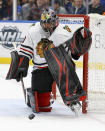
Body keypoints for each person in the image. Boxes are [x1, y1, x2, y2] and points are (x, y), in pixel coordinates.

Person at [6, 9, 92, 114]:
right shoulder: (33, 31)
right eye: (45, 23)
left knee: (63, 67)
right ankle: (36, 96)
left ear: (56, 21)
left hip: (62, 66)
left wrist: (78, 49)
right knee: (43, 107)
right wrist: (22, 65)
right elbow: (26, 50)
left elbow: (73, 53)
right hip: (42, 69)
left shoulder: (64, 30)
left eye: (49, 23)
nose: (47, 25)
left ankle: (72, 97)